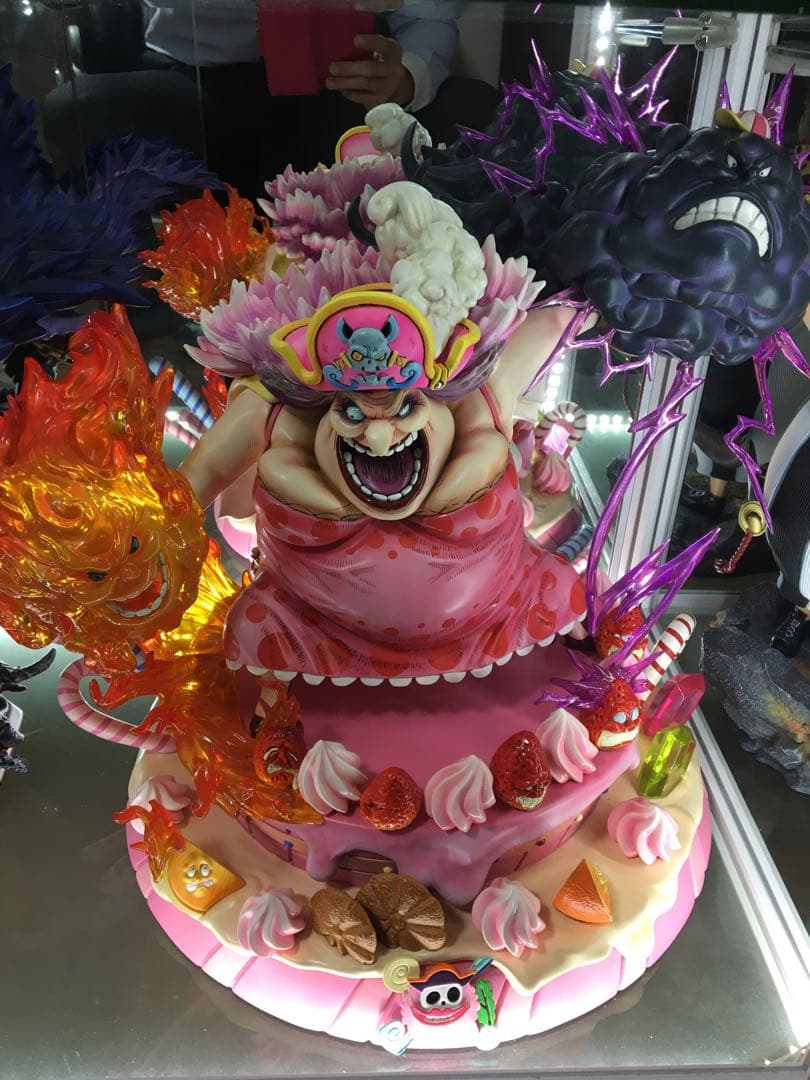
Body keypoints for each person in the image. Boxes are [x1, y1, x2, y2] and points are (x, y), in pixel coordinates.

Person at [42, 0, 497, 197]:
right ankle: (137, 322)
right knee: (78, 113)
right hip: (196, 83)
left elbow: (430, 15)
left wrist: (407, 76)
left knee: (478, 112)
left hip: (337, 84)